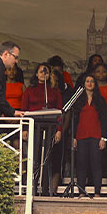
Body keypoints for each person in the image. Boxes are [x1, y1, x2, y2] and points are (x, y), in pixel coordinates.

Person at [21, 63, 62, 196]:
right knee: (34, 157)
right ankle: (32, 187)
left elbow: (60, 112)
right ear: (36, 74)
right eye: (40, 72)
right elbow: (23, 110)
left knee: (47, 158)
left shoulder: (54, 91)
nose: (43, 74)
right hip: (34, 124)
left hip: (50, 126)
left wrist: (59, 129)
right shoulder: (29, 90)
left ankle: (45, 189)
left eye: (46, 72)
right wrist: (25, 128)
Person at [73, 74, 107, 197]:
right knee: (81, 164)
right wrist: (73, 137)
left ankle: (97, 192)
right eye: (87, 81)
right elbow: (74, 119)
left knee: (96, 164)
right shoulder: (78, 99)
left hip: (96, 135)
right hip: (81, 135)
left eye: (92, 81)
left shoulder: (100, 99)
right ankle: (81, 192)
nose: (89, 83)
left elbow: (104, 119)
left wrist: (104, 138)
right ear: (83, 83)